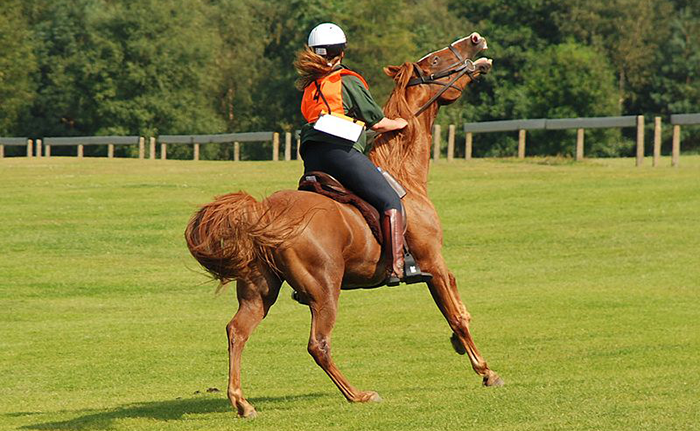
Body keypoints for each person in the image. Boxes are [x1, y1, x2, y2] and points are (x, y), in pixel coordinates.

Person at [294, 22, 431, 286]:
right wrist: (400, 122)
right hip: (340, 155)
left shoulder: (310, 87)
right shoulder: (346, 80)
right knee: (391, 200)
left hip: (312, 158)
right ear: (341, 52)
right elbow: (377, 122)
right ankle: (399, 267)